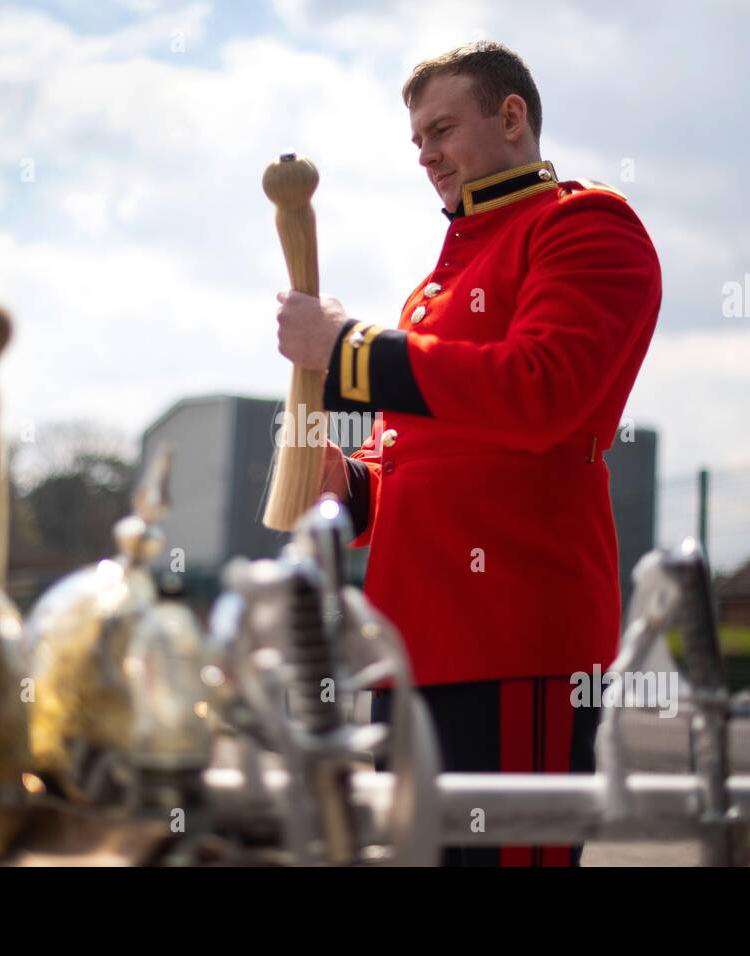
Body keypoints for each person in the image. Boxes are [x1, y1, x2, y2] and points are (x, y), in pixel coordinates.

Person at [274, 41, 662, 866]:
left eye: (441, 129)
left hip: (516, 643)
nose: (427, 156)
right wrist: (336, 478)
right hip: (410, 655)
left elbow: (539, 390)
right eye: (416, 141)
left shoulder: (585, 224)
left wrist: (347, 347)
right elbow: (399, 477)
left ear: (511, 116)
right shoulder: (435, 289)